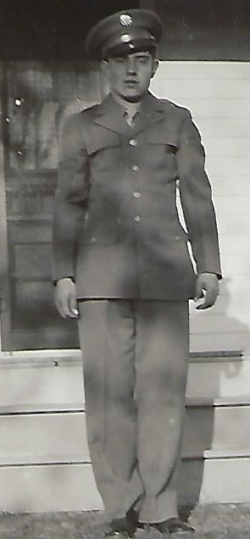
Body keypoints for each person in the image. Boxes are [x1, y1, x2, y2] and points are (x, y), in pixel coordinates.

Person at [52, 9, 221, 538]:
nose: (131, 71)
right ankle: (120, 509)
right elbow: (68, 204)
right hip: (100, 279)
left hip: (167, 275)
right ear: (106, 67)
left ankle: (161, 508)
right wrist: (63, 273)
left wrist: (208, 266)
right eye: (120, 61)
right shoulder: (81, 126)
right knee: (108, 396)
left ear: (155, 66)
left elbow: (197, 197)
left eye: (141, 61)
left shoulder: (176, 121)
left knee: (163, 393)